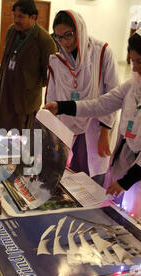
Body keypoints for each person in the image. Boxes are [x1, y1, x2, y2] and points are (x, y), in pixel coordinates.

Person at [43, 22, 141, 234]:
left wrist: (127, 181)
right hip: (123, 163)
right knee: (114, 224)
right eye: (132, 61)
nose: (136, 68)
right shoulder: (135, 84)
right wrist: (62, 106)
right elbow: (101, 103)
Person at [46, 10, 119, 185]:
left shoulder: (101, 52)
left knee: (92, 178)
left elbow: (113, 94)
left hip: (95, 127)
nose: (65, 42)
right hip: (66, 125)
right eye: (59, 37)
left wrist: (105, 131)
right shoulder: (56, 60)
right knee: (67, 177)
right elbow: (51, 97)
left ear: (79, 30)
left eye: (68, 35)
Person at [0, 0, 57, 136]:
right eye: (14, 16)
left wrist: (28, 82)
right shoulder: (12, 31)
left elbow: (48, 77)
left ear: (33, 17)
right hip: (5, 94)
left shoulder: (44, 40)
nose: (16, 20)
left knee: (21, 140)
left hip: (25, 101)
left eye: (21, 17)